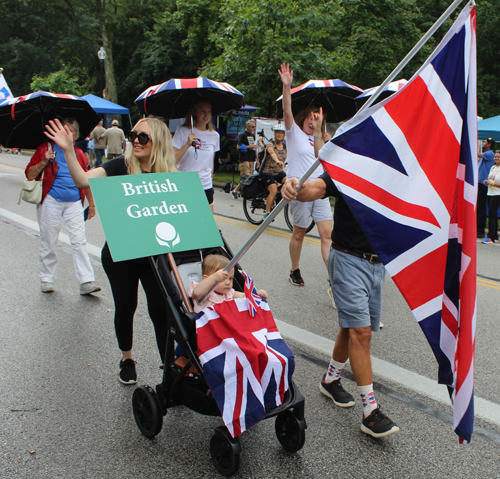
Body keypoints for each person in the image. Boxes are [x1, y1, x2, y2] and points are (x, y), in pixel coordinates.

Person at [281, 107, 399, 439]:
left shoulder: (395, 171)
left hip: (378, 266)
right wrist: (295, 186)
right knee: (362, 334)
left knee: (352, 329)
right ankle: (370, 411)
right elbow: (314, 188)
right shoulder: (349, 167)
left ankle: (331, 379)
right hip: (348, 260)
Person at [44, 117, 177, 385]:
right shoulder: (120, 166)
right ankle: (127, 358)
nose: (135, 141)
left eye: (143, 137)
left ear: (159, 142)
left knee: (162, 310)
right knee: (126, 306)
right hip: (121, 254)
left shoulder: (170, 176)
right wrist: (69, 150)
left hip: (155, 254)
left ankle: (170, 366)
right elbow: (82, 179)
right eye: (133, 135)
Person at [24, 118, 101, 295]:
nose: (67, 133)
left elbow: (86, 179)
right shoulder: (45, 149)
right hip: (51, 199)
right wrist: (43, 161)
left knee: (79, 240)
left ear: (76, 135)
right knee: (49, 240)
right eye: (63, 130)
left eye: (71, 130)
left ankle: (86, 280)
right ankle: (47, 278)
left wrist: (92, 204)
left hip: (74, 201)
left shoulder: (80, 153)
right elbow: (29, 175)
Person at [278, 63, 333, 290]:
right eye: (310, 117)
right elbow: (287, 112)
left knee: (327, 234)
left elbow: (321, 159)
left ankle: (334, 278)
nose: (313, 121)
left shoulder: (320, 137)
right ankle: (294, 269)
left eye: (317, 118)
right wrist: (286, 87)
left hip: (319, 190)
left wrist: (322, 137)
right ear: (304, 118)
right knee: (299, 233)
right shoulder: (294, 134)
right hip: (299, 190)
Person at [172, 99, 220, 212]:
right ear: (193, 111)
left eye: (209, 111)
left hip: (206, 185)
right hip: (185, 184)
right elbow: (172, 160)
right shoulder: (183, 131)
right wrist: (187, 144)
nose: (206, 115)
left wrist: (210, 180)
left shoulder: (214, 135)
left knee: (207, 221)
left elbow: (210, 163)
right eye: (202, 111)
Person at [191, 254, 267, 313]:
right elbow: (197, 293)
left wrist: (257, 294)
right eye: (223, 279)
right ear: (207, 278)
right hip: (210, 327)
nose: (228, 282)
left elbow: (244, 296)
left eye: (230, 278)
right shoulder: (205, 293)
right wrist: (213, 278)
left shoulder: (229, 293)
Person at [260, 124, 287, 219]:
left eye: (281, 133)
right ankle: (267, 213)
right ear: (274, 134)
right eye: (277, 133)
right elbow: (271, 152)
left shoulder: (285, 144)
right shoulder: (270, 143)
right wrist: (277, 161)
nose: (279, 134)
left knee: (289, 182)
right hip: (267, 171)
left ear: (284, 134)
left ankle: (279, 199)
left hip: (278, 171)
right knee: (274, 190)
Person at [231, 120, 258, 198]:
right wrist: (249, 146)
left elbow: (254, 147)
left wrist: (257, 158)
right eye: (252, 126)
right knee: (246, 177)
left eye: (254, 126)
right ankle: (239, 192)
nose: (253, 128)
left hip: (251, 158)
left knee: (248, 177)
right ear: (247, 126)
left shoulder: (252, 135)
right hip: (244, 158)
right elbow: (238, 147)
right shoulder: (243, 135)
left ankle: (235, 191)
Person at [477, 138, 495, 238]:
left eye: (485, 142)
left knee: (481, 208)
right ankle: (477, 228)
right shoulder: (485, 155)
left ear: (489, 145)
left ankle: (480, 230)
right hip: (478, 183)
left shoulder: (490, 154)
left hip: (483, 184)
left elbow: (477, 154)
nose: (483, 143)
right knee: (478, 207)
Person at [482, 150, 500, 244]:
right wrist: (487, 181)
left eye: (498, 157)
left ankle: (491, 237)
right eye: (495, 156)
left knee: (491, 215)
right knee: (493, 215)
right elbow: (490, 178)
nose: (496, 158)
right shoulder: (493, 167)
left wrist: (492, 183)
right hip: (490, 192)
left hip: (497, 194)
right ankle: (495, 235)